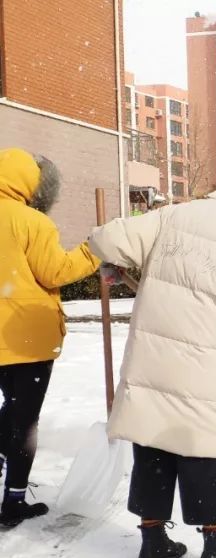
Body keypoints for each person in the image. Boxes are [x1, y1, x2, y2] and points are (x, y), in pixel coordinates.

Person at [88, 162, 216, 558]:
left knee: (153, 440)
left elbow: (105, 239)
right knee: (203, 447)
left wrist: (116, 263)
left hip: (150, 357)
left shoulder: (175, 214)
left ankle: (153, 540)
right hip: (202, 364)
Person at [0, 148, 102, 527]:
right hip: (27, 339)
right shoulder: (33, 222)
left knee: (11, 408)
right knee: (24, 418)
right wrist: (93, 250)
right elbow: (55, 271)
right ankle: (13, 501)